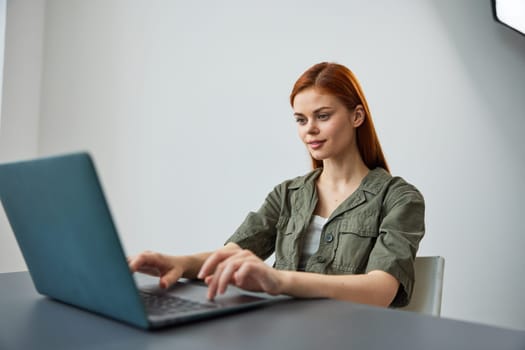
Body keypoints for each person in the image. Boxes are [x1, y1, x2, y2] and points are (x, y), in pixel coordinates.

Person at [128, 62, 425, 308]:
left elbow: (380, 290)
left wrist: (279, 280)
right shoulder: (287, 194)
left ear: (356, 116)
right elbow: (233, 253)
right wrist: (177, 262)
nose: (310, 129)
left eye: (323, 116)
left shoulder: (399, 198)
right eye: (300, 119)